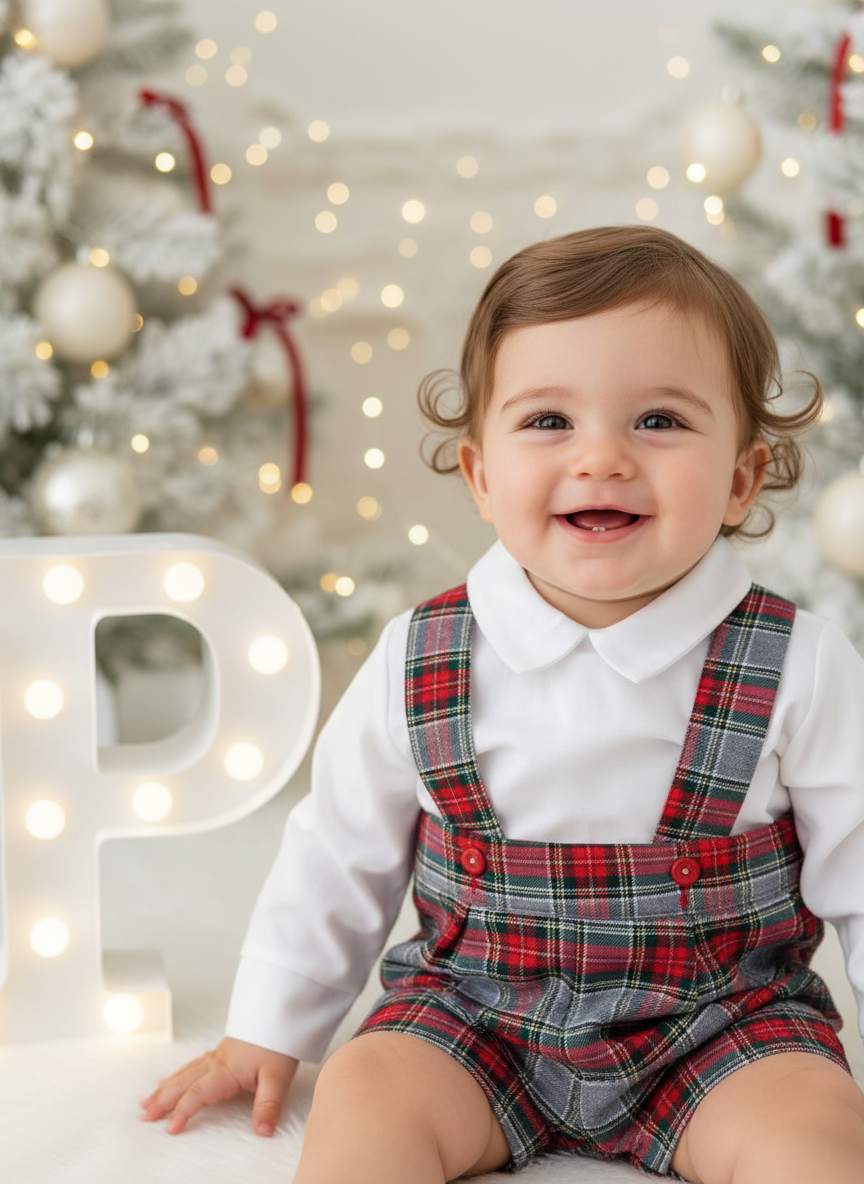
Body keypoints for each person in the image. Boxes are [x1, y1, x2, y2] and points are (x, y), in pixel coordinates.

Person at [141, 226, 864, 1183]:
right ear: (481, 476)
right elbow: (338, 851)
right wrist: (268, 1025)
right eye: (549, 421)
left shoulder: (798, 661)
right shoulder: (421, 655)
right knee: (367, 1091)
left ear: (741, 478)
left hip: (723, 1027)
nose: (601, 457)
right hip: (472, 1021)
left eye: (658, 420)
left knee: (814, 1129)